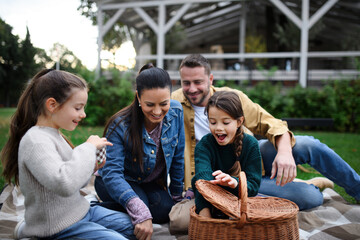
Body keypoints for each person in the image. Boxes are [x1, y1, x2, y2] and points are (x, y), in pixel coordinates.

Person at [171, 54, 360, 210]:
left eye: (198, 82)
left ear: (210, 79)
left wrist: (284, 153)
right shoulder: (172, 104)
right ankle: (311, 185)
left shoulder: (230, 97)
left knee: (307, 145)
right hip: (218, 178)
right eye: (186, 83)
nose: (192, 89)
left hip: (249, 160)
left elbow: (271, 123)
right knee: (309, 197)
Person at [0, 69, 134, 239]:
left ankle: (27, 226)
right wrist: (88, 147)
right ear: (52, 105)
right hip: (58, 226)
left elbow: (77, 182)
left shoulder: (55, 134)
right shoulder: (35, 141)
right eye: (78, 107)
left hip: (80, 211)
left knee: (137, 227)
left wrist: (92, 166)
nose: (83, 114)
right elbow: (64, 183)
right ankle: (30, 228)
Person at [94, 64, 185, 240]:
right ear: (138, 97)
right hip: (114, 181)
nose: (158, 112)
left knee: (165, 210)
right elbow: (112, 174)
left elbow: (178, 157)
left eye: (164, 103)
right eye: (150, 104)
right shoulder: (119, 125)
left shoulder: (176, 112)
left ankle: (115, 207)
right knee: (141, 210)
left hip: (147, 181)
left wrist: (176, 195)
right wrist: (139, 211)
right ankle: (95, 210)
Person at [192, 91, 262, 217]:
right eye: (213, 122)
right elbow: (202, 182)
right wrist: (205, 214)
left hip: (238, 200)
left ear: (239, 122)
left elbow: (253, 187)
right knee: (182, 221)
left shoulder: (251, 144)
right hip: (207, 198)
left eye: (225, 122)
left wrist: (234, 183)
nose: (218, 128)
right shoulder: (204, 145)